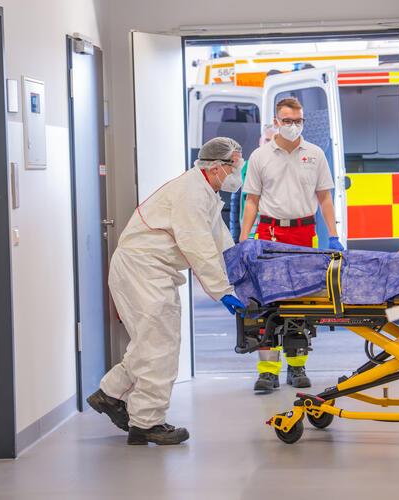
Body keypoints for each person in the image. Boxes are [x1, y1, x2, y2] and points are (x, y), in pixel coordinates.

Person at [87, 137, 246, 446]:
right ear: (216, 167)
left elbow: (218, 237)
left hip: (151, 270)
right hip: (143, 269)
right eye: (235, 165)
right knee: (160, 345)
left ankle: (109, 394)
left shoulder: (205, 191)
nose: (239, 171)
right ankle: (147, 423)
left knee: (152, 341)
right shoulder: (191, 193)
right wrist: (223, 290)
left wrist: (238, 266)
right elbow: (198, 245)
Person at [240, 97, 343, 393]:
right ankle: (268, 372)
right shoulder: (260, 156)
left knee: (300, 303)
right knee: (268, 305)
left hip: (304, 235)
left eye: (298, 121)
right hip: (270, 235)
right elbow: (252, 201)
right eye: (287, 121)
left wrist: (334, 235)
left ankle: (297, 368)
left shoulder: (314, 154)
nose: (293, 126)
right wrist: (245, 239)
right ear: (276, 122)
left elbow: (325, 198)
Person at [229, 125, 277, 241]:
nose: (269, 145)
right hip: (249, 237)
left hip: (275, 236)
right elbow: (236, 208)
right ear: (260, 141)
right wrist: (235, 239)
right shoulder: (244, 169)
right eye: (267, 140)